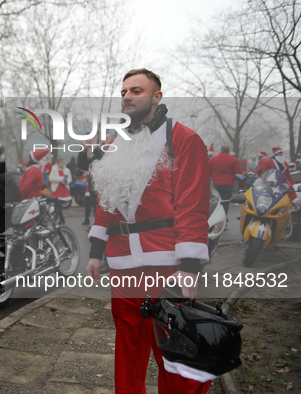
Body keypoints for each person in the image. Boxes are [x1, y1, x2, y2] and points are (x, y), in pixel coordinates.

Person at [86, 69, 212, 393]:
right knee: (128, 352)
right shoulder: (117, 143)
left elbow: (192, 205)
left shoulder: (183, 139)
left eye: (137, 90)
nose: (127, 96)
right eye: (124, 90)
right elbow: (107, 201)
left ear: (157, 97)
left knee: (175, 357)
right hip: (123, 267)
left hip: (166, 265)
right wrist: (96, 253)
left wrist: (189, 267)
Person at [208, 145, 244, 214]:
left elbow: (207, 172)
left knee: (214, 201)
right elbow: (239, 174)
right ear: (229, 151)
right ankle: (223, 218)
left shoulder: (212, 159)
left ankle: (213, 217)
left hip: (214, 184)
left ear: (221, 150)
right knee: (225, 202)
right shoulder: (233, 159)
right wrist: (241, 185)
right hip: (227, 184)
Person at [49, 157, 73, 224]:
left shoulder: (67, 170)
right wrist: (61, 179)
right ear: (57, 163)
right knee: (57, 205)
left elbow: (70, 179)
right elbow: (51, 178)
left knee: (59, 205)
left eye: (62, 163)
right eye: (60, 163)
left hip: (64, 189)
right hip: (56, 189)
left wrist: (65, 181)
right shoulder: (54, 169)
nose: (61, 164)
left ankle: (56, 219)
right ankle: (61, 219)